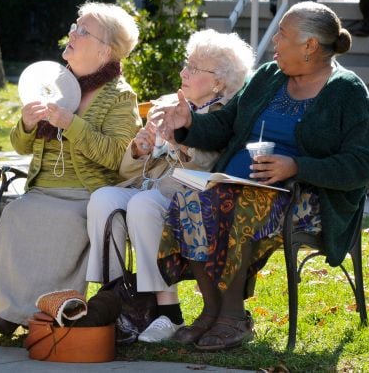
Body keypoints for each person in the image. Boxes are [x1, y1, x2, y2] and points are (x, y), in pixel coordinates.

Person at [153, 1, 369, 351]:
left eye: (283, 34)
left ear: (310, 47)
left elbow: (362, 163)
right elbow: (226, 126)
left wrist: (296, 166)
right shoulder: (268, 77)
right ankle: (212, 311)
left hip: (309, 197)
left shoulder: (346, 91)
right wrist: (190, 123)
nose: (275, 40)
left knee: (237, 206)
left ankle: (232, 316)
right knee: (190, 202)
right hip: (238, 185)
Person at [84, 29, 255, 343]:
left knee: (143, 205)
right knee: (104, 198)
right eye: (185, 64)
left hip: (187, 198)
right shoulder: (166, 104)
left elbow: (205, 166)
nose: (183, 72)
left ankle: (168, 311)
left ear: (219, 82)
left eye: (193, 68)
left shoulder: (224, 116)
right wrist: (139, 148)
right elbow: (127, 170)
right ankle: (117, 299)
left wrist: (178, 140)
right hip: (148, 187)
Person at [0, 2, 142, 336]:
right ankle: (12, 310)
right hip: (43, 189)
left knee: (61, 224)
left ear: (106, 50)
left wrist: (72, 124)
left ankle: (51, 309)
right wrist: (27, 124)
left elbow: (117, 155)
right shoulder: (54, 83)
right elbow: (21, 144)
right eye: (75, 25)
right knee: (16, 216)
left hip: (88, 194)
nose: (72, 32)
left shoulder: (119, 97)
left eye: (83, 30)